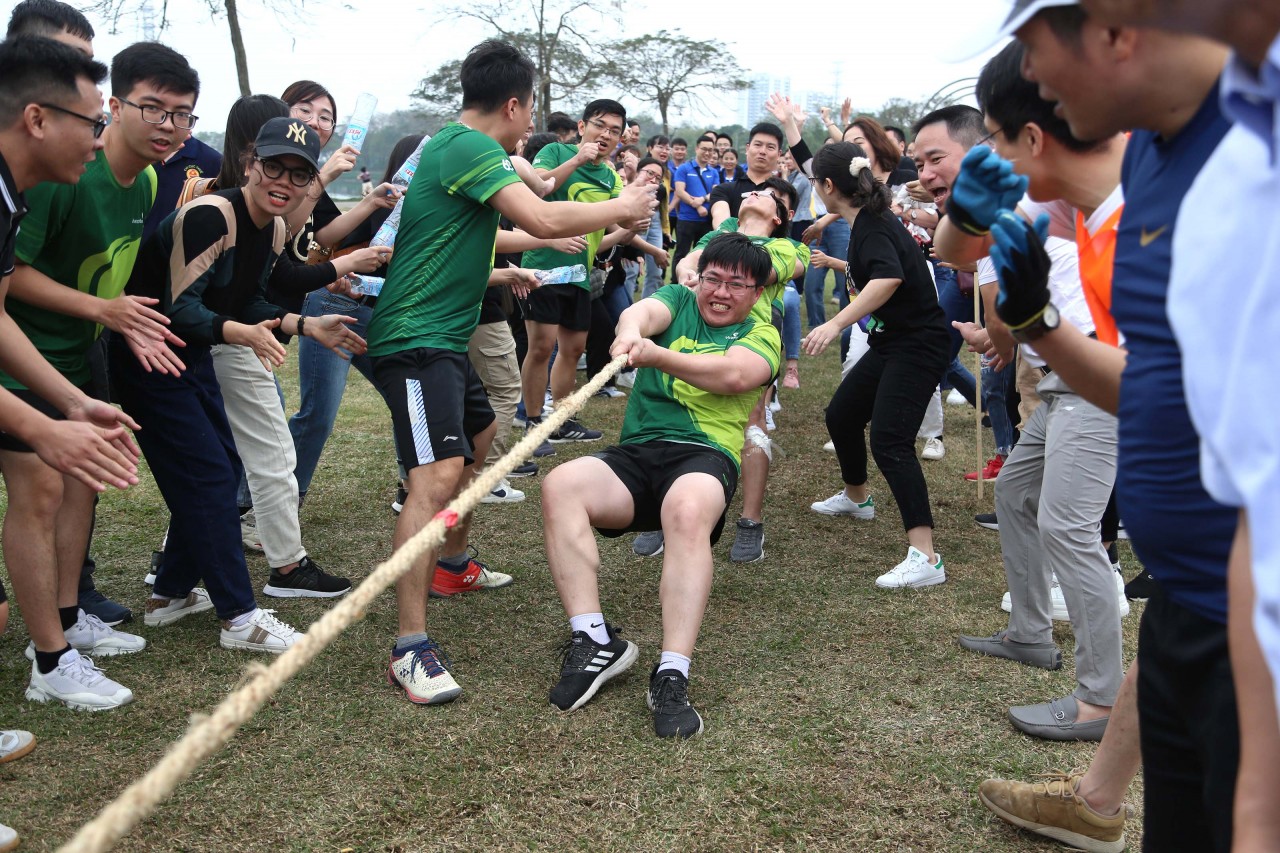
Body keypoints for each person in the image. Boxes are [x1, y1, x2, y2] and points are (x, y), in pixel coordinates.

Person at [948, 2, 1239, 849]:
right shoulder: (1148, 164)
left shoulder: (1240, 158)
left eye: (1035, 49)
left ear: (1117, 31)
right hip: (1193, 587)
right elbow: (1156, 385)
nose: (1034, 77)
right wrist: (1036, 323)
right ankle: (1097, 799)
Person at [365, 39, 656, 705]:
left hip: (446, 336)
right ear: (515, 104)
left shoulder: (470, 154)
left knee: (484, 430)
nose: (534, 125)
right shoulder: (466, 145)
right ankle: (410, 647)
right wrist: (619, 209)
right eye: (532, 112)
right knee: (434, 478)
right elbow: (544, 208)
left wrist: (543, 239)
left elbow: (487, 229)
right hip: (413, 339)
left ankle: (453, 565)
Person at [117, 116, 385, 654]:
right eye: (274, 166)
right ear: (249, 164)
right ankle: (240, 618)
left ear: (312, 183)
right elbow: (179, 310)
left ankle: (170, 595)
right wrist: (242, 331)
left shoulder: (276, 227)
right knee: (212, 477)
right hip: (145, 357)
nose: (283, 181)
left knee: (220, 470)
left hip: (188, 357)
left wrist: (304, 324)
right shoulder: (211, 216)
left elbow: (256, 298)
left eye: (300, 174)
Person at [1, 40, 205, 709]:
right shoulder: (44, 186)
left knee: (76, 485)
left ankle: (63, 620)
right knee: (37, 492)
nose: (170, 126)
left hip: (68, 358)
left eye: (184, 114)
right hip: (32, 355)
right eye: (96, 121)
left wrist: (73, 399)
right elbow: (16, 291)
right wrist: (41, 418)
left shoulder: (138, 182)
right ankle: (50, 657)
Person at [951, 41, 1127, 747]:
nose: (986, 158)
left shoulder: (1151, 207)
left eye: (991, 137)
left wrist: (1037, 325)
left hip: (1099, 389)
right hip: (1069, 384)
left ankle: (1099, 698)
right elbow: (956, 250)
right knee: (1014, 494)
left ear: (1032, 135)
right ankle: (1030, 631)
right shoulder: (1074, 204)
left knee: (1069, 528)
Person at [542, 232, 780, 738]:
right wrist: (629, 333)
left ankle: (672, 671)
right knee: (561, 483)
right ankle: (594, 640)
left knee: (689, 512)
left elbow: (734, 377)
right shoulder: (678, 299)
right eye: (712, 279)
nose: (720, 292)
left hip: (704, 456)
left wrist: (656, 357)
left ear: (757, 293)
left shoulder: (763, 333)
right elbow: (643, 313)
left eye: (736, 285)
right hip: (637, 453)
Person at [801, 143, 949, 588]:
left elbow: (888, 277)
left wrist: (835, 323)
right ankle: (857, 498)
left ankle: (926, 558)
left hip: (920, 344)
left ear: (830, 187)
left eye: (816, 184)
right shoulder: (863, 218)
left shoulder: (873, 227)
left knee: (890, 440)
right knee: (841, 415)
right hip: (892, 340)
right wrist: (826, 222)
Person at [519, 99, 661, 445]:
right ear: (582, 127)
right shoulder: (554, 151)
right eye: (599, 125)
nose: (606, 135)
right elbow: (538, 185)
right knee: (540, 347)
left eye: (615, 130)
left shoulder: (610, 177)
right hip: (542, 268)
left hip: (580, 273)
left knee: (573, 348)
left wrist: (634, 223)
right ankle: (534, 422)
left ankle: (562, 418)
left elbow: (617, 222)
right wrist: (577, 158)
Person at [670, 135, 719, 271]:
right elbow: (680, 191)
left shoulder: (713, 172)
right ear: (697, 148)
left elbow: (714, 193)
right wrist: (696, 205)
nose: (707, 153)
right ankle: (676, 284)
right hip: (686, 220)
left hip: (705, 221)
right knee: (681, 253)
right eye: (704, 149)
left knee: (702, 255)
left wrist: (702, 199)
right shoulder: (684, 169)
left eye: (710, 150)